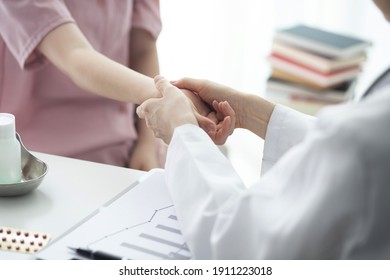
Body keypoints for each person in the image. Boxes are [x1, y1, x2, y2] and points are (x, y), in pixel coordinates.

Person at [136, 0, 390, 259]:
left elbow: (237, 244)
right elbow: (345, 150)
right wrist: (255, 114)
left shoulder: (366, 136)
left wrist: (182, 131)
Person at [0, 0, 210, 170]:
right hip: (35, 160)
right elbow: (74, 54)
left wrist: (146, 145)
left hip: (124, 147)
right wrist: (168, 95)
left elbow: (143, 48)